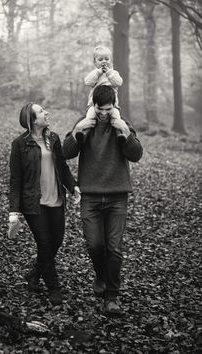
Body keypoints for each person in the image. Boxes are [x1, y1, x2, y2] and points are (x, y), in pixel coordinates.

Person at [63, 85, 143, 315]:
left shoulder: (122, 124)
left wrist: (125, 133)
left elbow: (136, 155)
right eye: (100, 109)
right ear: (94, 105)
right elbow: (67, 153)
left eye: (109, 109)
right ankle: (101, 274)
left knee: (114, 248)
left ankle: (111, 297)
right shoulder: (85, 124)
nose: (104, 113)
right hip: (91, 196)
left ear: (114, 106)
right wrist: (78, 129)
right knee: (95, 245)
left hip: (118, 197)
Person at [9, 102, 79, 306]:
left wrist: (73, 187)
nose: (46, 112)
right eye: (40, 111)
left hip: (56, 199)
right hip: (33, 203)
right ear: (31, 120)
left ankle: (34, 274)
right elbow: (15, 179)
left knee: (56, 241)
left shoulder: (54, 138)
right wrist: (13, 211)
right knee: (45, 244)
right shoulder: (19, 144)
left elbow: (62, 167)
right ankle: (54, 288)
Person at [75, 45, 124, 143]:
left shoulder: (114, 73)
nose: (104, 61)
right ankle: (84, 134)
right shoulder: (95, 74)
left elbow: (119, 82)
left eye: (107, 59)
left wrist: (109, 73)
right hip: (94, 104)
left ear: (111, 61)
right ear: (95, 62)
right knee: (89, 116)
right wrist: (98, 73)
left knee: (117, 117)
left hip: (112, 105)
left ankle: (120, 134)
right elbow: (88, 82)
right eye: (100, 59)